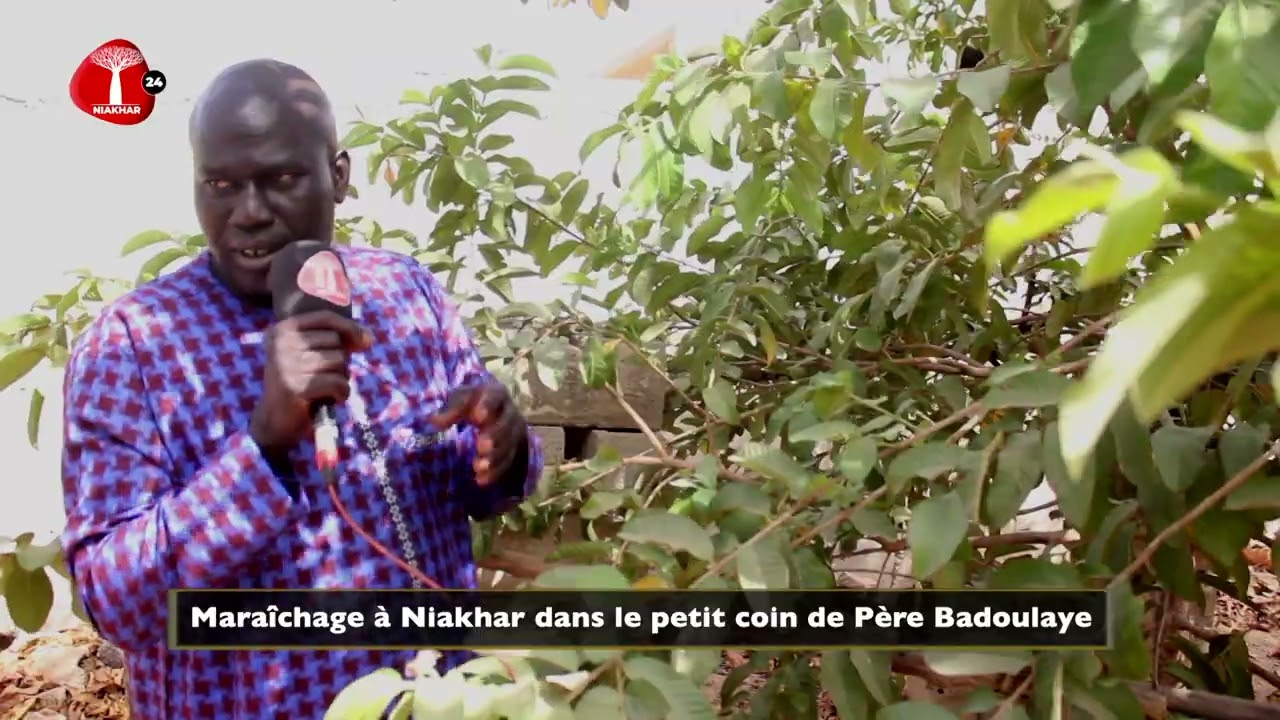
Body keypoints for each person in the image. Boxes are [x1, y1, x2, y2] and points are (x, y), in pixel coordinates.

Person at [59, 59, 543, 718]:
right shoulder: (133, 346)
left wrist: (504, 452)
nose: (249, 213)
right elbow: (116, 603)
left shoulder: (406, 294)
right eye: (220, 185)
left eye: (281, 179)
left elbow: (470, 488)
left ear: (338, 177)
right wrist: (261, 448)